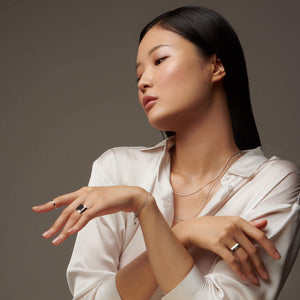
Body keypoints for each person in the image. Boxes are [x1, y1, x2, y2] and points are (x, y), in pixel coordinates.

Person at [32, 6, 300, 300]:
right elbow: (90, 297)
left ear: (216, 66)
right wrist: (176, 232)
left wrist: (155, 222)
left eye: (160, 60)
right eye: (138, 74)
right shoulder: (117, 169)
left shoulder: (271, 183)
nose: (143, 81)